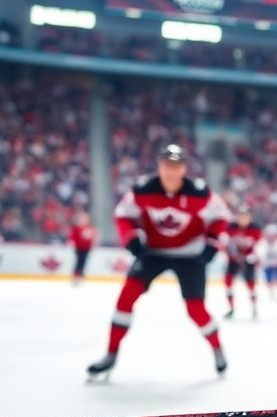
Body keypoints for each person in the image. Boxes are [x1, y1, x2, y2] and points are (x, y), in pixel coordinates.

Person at [87, 145, 230, 381]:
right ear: (159, 166)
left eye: (176, 166)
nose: (171, 172)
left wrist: (212, 245)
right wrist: (131, 238)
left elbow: (221, 217)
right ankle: (110, 355)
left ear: (184, 168)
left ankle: (217, 348)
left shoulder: (200, 193)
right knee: (126, 296)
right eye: (167, 166)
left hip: (190, 255)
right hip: (152, 252)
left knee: (196, 310)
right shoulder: (142, 190)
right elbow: (123, 214)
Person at [223, 204, 262, 319]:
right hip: (233, 259)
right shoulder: (231, 228)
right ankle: (231, 308)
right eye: (242, 216)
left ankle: (254, 307)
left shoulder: (255, 229)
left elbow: (260, 245)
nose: (244, 219)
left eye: (246, 216)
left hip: (248, 259)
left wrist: (253, 256)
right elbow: (224, 241)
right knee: (228, 281)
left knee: (250, 284)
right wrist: (228, 253)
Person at [68, 209, 97, 286]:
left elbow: (93, 236)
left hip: (87, 248)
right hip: (79, 248)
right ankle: (76, 275)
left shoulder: (90, 227)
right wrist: (73, 244)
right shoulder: (77, 228)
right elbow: (73, 237)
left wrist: (93, 243)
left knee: (84, 262)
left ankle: (81, 275)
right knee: (78, 262)